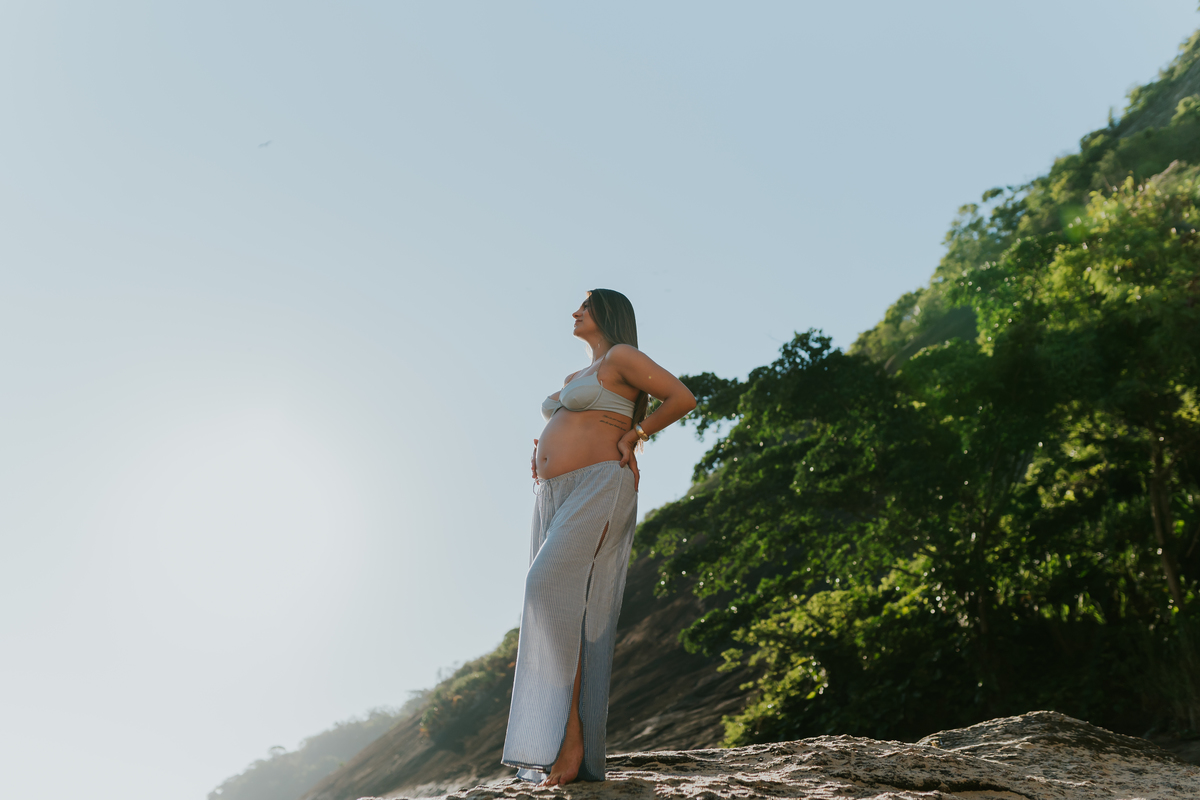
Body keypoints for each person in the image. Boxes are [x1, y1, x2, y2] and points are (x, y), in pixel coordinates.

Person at [500, 289, 697, 787]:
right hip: (553, 492)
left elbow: (682, 397)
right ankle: (556, 742)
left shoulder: (621, 357)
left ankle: (570, 744)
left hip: (598, 483)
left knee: (544, 589)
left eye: (584, 305)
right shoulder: (577, 377)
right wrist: (543, 449)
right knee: (549, 605)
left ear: (607, 313)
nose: (574, 311)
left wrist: (637, 434)